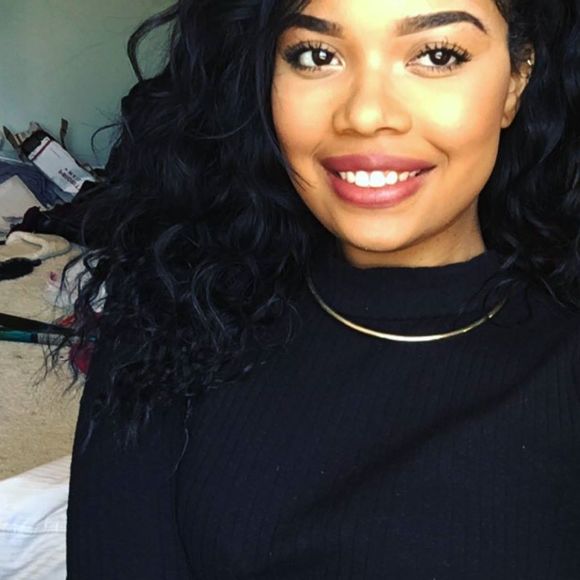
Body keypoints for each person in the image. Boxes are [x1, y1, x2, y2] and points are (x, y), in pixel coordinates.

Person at [61, 0, 580, 577]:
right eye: (316, 55)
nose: (366, 114)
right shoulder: (173, 314)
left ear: (516, 79)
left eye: (437, 55)